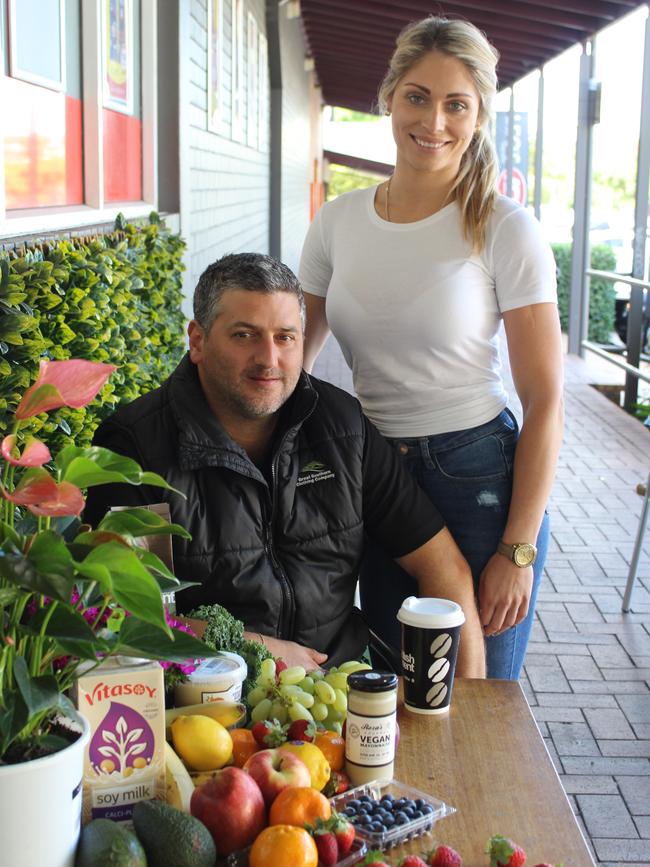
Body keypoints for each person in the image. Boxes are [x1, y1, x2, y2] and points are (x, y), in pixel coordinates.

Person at [299, 16, 564, 679]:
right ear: (389, 97)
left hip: (476, 478)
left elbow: (545, 396)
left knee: (479, 705)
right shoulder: (338, 223)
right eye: (418, 95)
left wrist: (518, 548)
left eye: (456, 104)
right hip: (374, 478)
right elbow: (291, 364)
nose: (434, 120)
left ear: (478, 117)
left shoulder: (504, 228)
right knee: (397, 694)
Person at [84, 252, 485, 676]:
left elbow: (444, 568)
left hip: (340, 681)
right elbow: (121, 616)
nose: (269, 359)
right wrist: (255, 648)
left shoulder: (342, 427)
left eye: (285, 337)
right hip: (208, 699)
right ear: (198, 341)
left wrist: (469, 721)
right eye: (244, 335)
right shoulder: (135, 448)